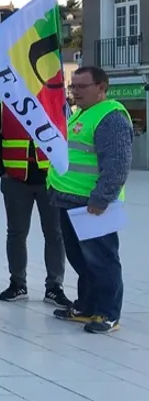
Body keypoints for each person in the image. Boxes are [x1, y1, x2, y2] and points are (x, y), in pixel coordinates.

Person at [48, 67, 132, 334]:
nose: (75, 92)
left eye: (82, 87)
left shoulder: (111, 117)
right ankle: (86, 306)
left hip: (93, 204)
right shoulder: (80, 114)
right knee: (81, 259)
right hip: (69, 199)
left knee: (102, 260)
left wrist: (102, 198)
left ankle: (107, 314)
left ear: (101, 87)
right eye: (73, 87)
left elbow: (117, 164)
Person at [0, 101, 72, 306]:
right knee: (16, 233)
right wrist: (3, 171)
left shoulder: (56, 100)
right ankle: (17, 283)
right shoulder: (2, 106)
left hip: (50, 180)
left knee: (55, 233)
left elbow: (69, 136)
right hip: (16, 180)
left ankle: (54, 286)